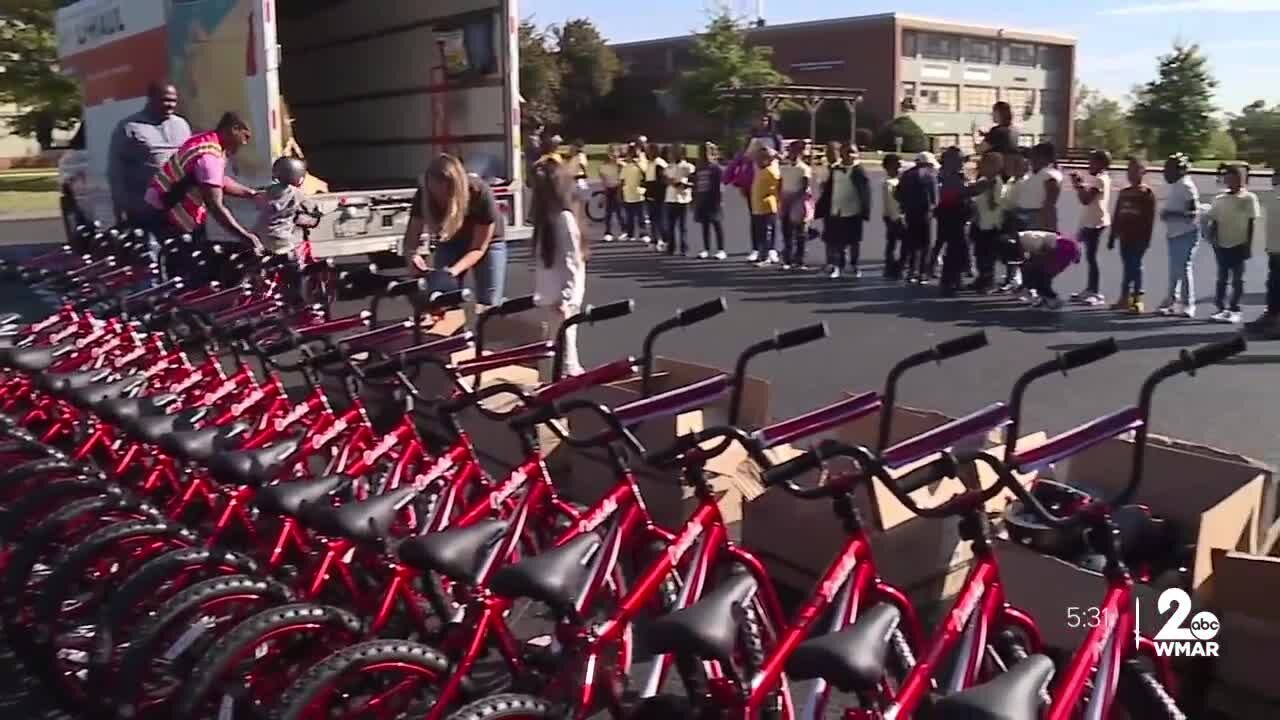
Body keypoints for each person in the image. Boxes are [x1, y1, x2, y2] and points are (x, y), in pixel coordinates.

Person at [142, 111, 260, 252]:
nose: (245, 143)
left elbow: (215, 180)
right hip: (168, 221)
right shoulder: (209, 156)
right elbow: (215, 206)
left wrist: (251, 194)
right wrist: (245, 236)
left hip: (161, 212)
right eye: (245, 137)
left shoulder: (205, 141)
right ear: (234, 129)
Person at [403, 153, 504, 311]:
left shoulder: (479, 192)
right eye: (434, 193)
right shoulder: (423, 195)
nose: (439, 199)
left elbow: (478, 248)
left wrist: (452, 271)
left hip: (487, 243)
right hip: (450, 239)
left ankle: (488, 320)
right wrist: (412, 256)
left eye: (444, 193)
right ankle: (449, 323)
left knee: (489, 301)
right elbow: (411, 240)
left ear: (455, 187)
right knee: (441, 296)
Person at [529, 162, 587, 377]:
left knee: (565, 341)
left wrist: (566, 297)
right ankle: (560, 375)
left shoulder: (563, 219)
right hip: (554, 291)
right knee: (557, 339)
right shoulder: (549, 219)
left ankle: (569, 375)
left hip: (563, 294)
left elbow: (573, 262)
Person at [108, 81, 192, 223]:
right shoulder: (129, 127)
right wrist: (120, 207)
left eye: (174, 100)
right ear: (151, 98)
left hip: (179, 208)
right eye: (166, 100)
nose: (171, 105)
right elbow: (116, 172)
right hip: (144, 209)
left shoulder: (182, 125)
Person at [1206, 164, 1260, 324]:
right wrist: (1213, 239)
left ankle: (1234, 307)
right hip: (1222, 244)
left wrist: (1248, 246)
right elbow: (1214, 220)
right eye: (1228, 179)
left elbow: (1251, 222)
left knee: (1237, 279)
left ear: (1240, 180)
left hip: (1239, 244)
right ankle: (1220, 307)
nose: (1231, 182)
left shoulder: (1248, 198)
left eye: (1235, 179)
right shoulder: (1219, 199)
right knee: (1222, 278)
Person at [1107, 156, 1156, 314]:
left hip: (1139, 237)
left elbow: (1149, 219)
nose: (1131, 174)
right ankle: (1124, 298)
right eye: (1129, 170)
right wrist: (1112, 235)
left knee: (1135, 266)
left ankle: (1137, 299)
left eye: (1135, 170)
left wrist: (1147, 239)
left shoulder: (1146, 194)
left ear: (1143, 172)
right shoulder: (1124, 193)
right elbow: (1117, 215)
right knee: (1127, 267)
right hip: (1124, 236)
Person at [1157, 153, 1202, 318]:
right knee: (1174, 271)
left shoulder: (1186, 186)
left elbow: (1193, 213)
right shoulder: (1176, 185)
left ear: (1180, 170)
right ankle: (1171, 301)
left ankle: (1188, 304)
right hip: (1174, 233)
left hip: (1186, 233)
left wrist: (1171, 214)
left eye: (1168, 170)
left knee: (1184, 269)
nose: (1165, 173)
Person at [1069, 149, 1113, 306]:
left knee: (1092, 257)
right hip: (1090, 221)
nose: (1089, 164)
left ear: (1101, 163)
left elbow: (1086, 199)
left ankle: (1095, 292)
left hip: (1095, 223)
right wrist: (1080, 185)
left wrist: (1078, 184)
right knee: (1088, 256)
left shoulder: (1100, 180)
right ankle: (1090, 289)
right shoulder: (1100, 178)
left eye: (1092, 161)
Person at [254, 156, 321, 258]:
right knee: (294, 259)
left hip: (261, 234)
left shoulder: (268, 190)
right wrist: (318, 211)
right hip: (282, 237)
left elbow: (259, 198)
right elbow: (311, 207)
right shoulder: (295, 193)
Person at [896, 151, 939, 284]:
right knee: (925, 243)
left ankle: (912, 271)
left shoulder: (906, 175)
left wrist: (904, 205)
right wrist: (934, 209)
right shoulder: (930, 175)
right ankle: (923, 273)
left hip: (910, 212)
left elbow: (898, 193)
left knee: (912, 242)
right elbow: (934, 197)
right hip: (925, 212)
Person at [968, 152, 1006, 293]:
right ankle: (981, 279)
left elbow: (994, 205)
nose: (981, 166)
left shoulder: (996, 182)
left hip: (991, 224)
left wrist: (988, 190)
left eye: (986, 163)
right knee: (979, 253)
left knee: (988, 255)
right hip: (979, 221)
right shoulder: (983, 180)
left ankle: (989, 282)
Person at [996, 149, 1032, 292]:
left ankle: (1023, 282)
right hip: (1008, 217)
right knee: (1010, 250)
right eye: (1014, 163)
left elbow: (1024, 203)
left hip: (1019, 219)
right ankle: (1011, 278)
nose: (1015, 166)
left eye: (1019, 164)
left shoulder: (1026, 182)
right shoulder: (1012, 180)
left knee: (1020, 251)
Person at [936, 147, 970, 294]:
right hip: (950, 213)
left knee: (958, 248)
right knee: (954, 248)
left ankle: (955, 278)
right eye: (959, 160)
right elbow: (957, 194)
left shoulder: (956, 175)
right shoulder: (947, 176)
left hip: (957, 214)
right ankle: (949, 281)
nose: (961, 163)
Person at [1019, 230, 1081, 310]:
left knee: (1041, 275)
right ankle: (1046, 298)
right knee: (1040, 274)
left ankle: (1053, 299)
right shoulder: (1025, 238)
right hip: (1064, 247)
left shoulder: (1026, 240)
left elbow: (1038, 253)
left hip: (1062, 248)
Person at [778, 139, 813, 270]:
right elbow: (780, 183)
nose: (793, 154)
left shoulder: (804, 169)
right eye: (791, 151)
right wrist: (781, 197)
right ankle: (787, 259)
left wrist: (794, 199)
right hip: (785, 200)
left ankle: (800, 260)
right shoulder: (784, 167)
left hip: (798, 202)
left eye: (797, 152)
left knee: (800, 232)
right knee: (786, 231)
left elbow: (805, 186)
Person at [750, 145, 782, 266]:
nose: (757, 161)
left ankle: (766, 257)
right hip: (758, 207)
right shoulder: (761, 171)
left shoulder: (771, 171)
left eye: (761, 158)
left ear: (768, 159)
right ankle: (762, 254)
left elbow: (780, 186)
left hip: (767, 207)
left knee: (766, 233)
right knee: (760, 233)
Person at [693, 143, 726, 260]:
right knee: (705, 224)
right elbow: (696, 185)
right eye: (702, 153)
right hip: (702, 198)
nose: (704, 156)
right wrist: (695, 199)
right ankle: (706, 249)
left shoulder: (716, 168)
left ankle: (721, 250)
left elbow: (720, 186)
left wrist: (719, 200)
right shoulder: (699, 168)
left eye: (707, 153)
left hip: (713, 199)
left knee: (716, 224)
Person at [664, 145, 695, 256]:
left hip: (683, 199)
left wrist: (684, 185)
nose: (672, 155)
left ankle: (683, 247)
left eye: (675, 153)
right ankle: (671, 247)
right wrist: (671, 182)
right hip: (670, 198)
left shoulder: (688, 167)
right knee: (670, 225)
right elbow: (666, 180)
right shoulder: (669, 167)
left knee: (682, 226)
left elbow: (693, 181)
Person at [881, 153, 905, 279]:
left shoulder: (899, 180)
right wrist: (896, 217)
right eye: (898, 165)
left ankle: (891, 267)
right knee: (898, 242)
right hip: (894, 216)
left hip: (894, 216)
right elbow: (891, 202)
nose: (900, 168)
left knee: (892, 242)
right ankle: (893, 267)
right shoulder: (889, 183)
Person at [620, 146, 648, 243]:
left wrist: (638, 163)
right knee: (629, 217)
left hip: (639, 194)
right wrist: (621, 192)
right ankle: (630, 234)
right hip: (628, 195)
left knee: (641, 216)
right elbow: (622, 180)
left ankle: (643, 234)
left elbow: (645, 173)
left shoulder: (641, 165)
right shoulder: (626, 167)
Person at [642, 142, 668, 245]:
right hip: (650, 193)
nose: (647, 153)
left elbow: (662, 181)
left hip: (658, 195)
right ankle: (655, 238)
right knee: (653, 218)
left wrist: (655, 193)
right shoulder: (650, 163)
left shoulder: (659, 163)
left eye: (649, 151)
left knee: (660, 218)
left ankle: (664, 239)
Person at [598, 145, 624, 242]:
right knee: (608, 212)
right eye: (611, 153)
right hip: (609, 189)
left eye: (615, 153)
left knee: (620, 212)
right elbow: (603, 181)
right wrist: (603, 196)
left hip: (619, 188)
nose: (613, 155)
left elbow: (623, 179)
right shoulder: (603, 166)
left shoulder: (621, 165)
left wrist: (620, 192)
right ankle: (608, 232)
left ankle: (624, 231)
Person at [566, 139, 591, 206]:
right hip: (574, 176)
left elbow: (582, 165)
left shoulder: (579, 155)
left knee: (581, 194)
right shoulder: (574, 155)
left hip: (577, 176)